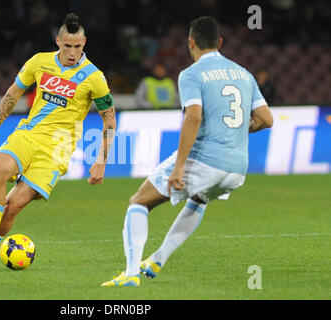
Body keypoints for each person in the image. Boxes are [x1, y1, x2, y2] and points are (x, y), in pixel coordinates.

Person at [102, 16, 273, 287]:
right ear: (220, 42)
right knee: (199, 199)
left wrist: (179, 166)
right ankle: (157, 258)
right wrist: (235, 132)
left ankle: (131, 274)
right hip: (238, 168)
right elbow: (266, 119)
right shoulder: (244, 73)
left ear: (190, 42)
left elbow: (193, 117)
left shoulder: (191, 74)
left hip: (206, 159)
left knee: (139, 201)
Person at [0, 13, 116, 271]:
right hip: (28, 134)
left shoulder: (94, 77)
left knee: (11, 208)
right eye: (67, 46)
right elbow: (14, 92)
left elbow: (109, 119)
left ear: (85, 42)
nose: (72, 52)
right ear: (58, 41)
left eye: (77, 46)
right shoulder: (39, 62)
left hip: (57, 149)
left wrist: (101, 161)